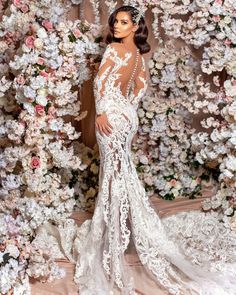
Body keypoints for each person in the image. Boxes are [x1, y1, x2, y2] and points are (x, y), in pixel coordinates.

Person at [74, 5, 236, 295]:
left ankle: (112, 238)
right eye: (115, 22)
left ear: (136, 27)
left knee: (113, 175)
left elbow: (99, 83)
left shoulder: (113, 51)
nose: (117, 26)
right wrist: (126, 114)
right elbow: (138, 91)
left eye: (124, 22)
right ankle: (121, 230)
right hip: (126, 118)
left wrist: (102, 113)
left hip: (109, 118)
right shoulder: (139, 59)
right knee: (119, 173)